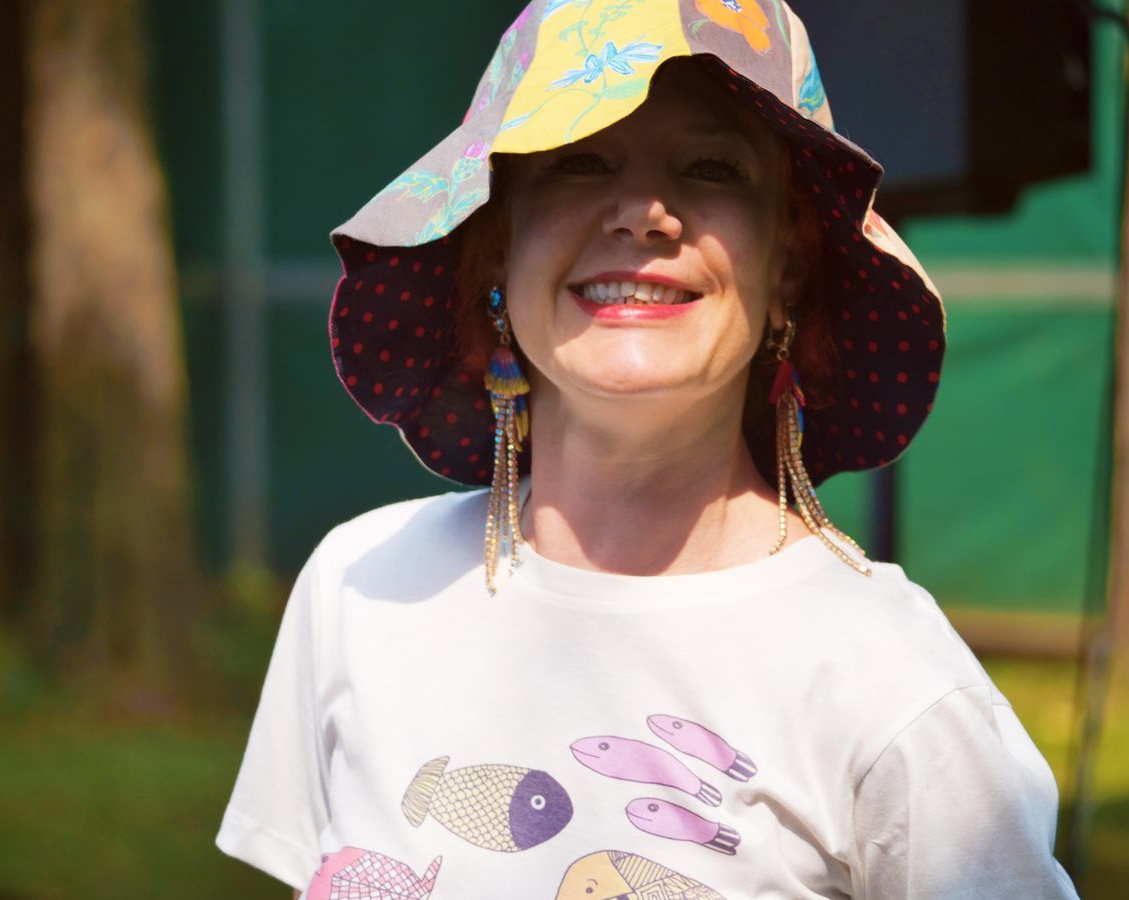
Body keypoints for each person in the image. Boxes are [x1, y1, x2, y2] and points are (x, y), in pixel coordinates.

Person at [216, 2, 1079, 897]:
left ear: (786, 263)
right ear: (495, 248)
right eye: (579, 158)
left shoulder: (894, 686)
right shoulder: (360, 589)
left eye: (711, 167)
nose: (643, 214)